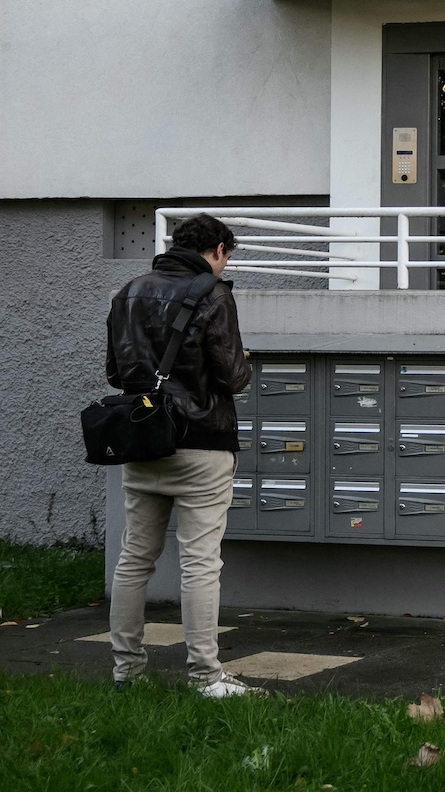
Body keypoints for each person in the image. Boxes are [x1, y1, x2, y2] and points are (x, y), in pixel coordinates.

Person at [104, 212, 261, 698]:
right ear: (216, 250)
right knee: (199, 563)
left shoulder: (129, 291)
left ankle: (126, 671)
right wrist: (246, 364)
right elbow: (233, 375)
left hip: (145, 442)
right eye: (226, 257)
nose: (223, 266)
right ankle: (205, 676)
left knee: (134, 559)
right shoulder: (213, 294)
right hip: (203, 441)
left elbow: (116, 372)